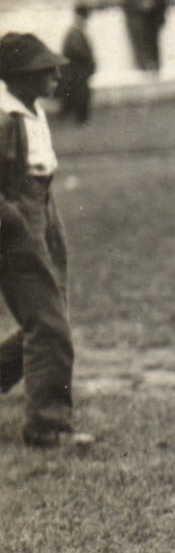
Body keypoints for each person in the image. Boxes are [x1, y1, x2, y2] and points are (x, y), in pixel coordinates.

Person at [0, 32, 92, 447]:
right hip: (18, 218)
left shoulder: (31, 110)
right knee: (48, 323)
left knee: (52, 318)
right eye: (44, 71)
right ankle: (47, 425)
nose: (56, 75)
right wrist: (15, 220)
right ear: (18, 76)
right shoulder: (5, 117)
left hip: (43, 207)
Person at [120, 0, 168, 73]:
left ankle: (153, 66)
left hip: (150, 22)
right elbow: (128, 3)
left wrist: (151, 5)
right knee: (140, 46)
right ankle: (143, 67)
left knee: (152, 45)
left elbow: (161, 2)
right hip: (137, 22)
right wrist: (140, 5)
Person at [56, 3, 96, 125]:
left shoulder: (75, 32)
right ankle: (80, 119)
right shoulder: (74, 33)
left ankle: (73, 117)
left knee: (74, 96)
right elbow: (79, 52)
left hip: (76, 71)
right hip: (76, 71)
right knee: (80, 95)